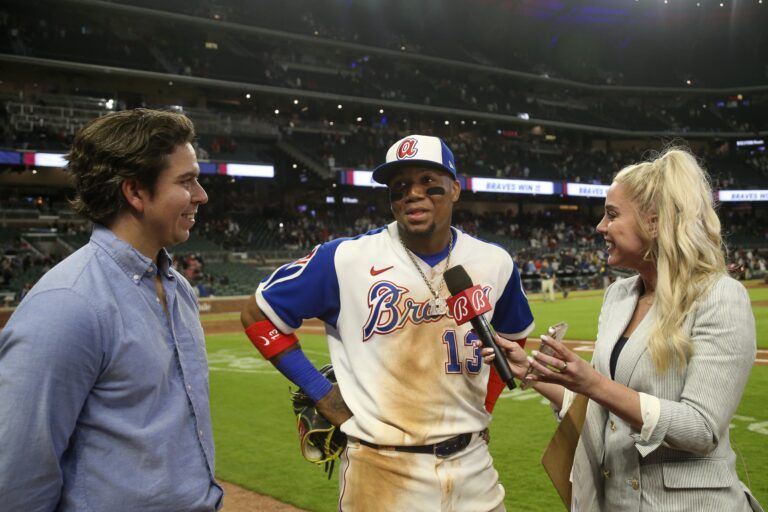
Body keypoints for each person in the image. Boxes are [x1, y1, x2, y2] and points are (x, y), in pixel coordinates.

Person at [240, 134, 534, 511]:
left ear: (455, 190)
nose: (414, 193)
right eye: (400, 187)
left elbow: (513, 337)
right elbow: (256, 314)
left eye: (430, 183)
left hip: (473, 464)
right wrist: (321, 391)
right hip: (381, 468)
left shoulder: (494, 261)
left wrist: (486, 404)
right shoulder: (344, 259)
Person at [485, 148, 762, 511]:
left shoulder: (720, 296)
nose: (600, 226)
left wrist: (594, 383)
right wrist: (537, 376)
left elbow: (701, 429)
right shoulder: (618, 295)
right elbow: (606, 411)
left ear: (653, 222)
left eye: (612, 215)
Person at [0, 109, 223, 511]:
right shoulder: (67, 304)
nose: (201, 195)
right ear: (135, 192)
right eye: (186, 181)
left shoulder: (179, 289)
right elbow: (17, 477)